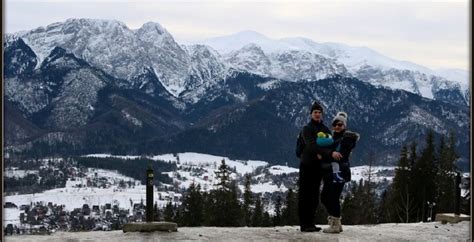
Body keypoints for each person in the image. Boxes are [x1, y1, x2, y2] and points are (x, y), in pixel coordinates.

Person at [298, 101, 342, 232]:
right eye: (315, 112)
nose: (317, 114)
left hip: (318, 168)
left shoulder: (325, 129)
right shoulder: (307, 129)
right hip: (307, 166)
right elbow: (311, 146)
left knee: (314, 196)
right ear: (311, 114)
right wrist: (326, 153)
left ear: (322, 114)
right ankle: (304, 224)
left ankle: (310, 223)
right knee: (305, 195)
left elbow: (330, 144)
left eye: (319, 112)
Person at [320, 111, 359, 233]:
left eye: (340, 124)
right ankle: (336, 222)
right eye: (335, 124)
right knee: (326, 197)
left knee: (331, 197)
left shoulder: (347, 139)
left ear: (344, 125)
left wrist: (326, 155)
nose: (337, 127)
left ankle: (335, 224)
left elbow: (341, 156)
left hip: (339, 172)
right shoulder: (334, 137)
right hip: (331, 171)